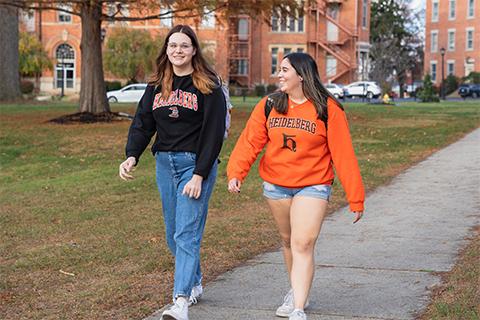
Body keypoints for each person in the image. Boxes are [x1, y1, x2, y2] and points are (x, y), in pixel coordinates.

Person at [226, 52, 364, 320]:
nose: (279, 74)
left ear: (301, 75)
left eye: (285, 69)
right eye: (279, 69)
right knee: (289, 241)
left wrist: (355, 198)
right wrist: (236, 173)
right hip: (276, 186)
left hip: (313, 184)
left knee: (303, 242)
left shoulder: (327, 109)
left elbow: (343, 155)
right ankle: (296, 289)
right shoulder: (270, 105)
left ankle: (298, 307)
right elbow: (249, 142)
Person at [119, 24, 226, 320]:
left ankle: (180, 302)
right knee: (172, 235)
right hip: (165, 165)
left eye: (183, 45)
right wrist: (132, 155)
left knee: (186, 233)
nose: (177, 50)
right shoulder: (157, 85)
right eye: (172, 45)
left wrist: (200, 174)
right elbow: (143, 123)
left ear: (194, 50)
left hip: (195, 165)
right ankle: (195, 282)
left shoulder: (208, 85)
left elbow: (214, 134)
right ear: (166, 50)